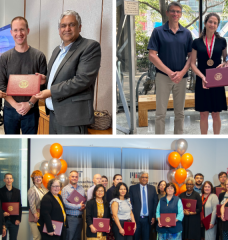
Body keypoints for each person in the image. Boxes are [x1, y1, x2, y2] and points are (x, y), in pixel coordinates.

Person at [34, 10, 101, 134]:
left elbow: (82, 80)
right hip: (54, 115)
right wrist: (46, 79)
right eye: (63, 26)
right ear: (59, 29)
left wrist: (50, 92)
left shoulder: (90, 47)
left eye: (72, 25)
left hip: (72, 118)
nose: (67, 29)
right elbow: (58, 76)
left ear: (79, 27)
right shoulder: (57, 50)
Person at [147, 1, 192, 134]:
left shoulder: (187, 33)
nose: (175, 14)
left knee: (180, 113)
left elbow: (191, 56)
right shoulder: (158, 31)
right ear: (167, 13)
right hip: (163, 77)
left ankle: (178, 139)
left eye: (178, 11)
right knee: (160, 113)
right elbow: (152, 55)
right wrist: (170, 72)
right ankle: (159, 140)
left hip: (181, 78)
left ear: (181, 14)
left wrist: (182, 72)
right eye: (172, 11)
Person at [0, 16, 47, 134]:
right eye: (15, 30)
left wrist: (29, 104)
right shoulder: (4, 58)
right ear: (11, 33)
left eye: (22, 29)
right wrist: (16, 105)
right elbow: (1, 85)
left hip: (31, 110)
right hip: (10, 109)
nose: (19, 33)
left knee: (30, 144)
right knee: (11, 146)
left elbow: (42, 86)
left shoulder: (39, 56)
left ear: (28, 31)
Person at [191, 13, 227, 134]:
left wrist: (224, 64)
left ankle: (216, 139)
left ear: (217, 25)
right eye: (210, 22)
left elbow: (226, 60)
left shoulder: (222, 41)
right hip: (202, 81)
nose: (212, 24)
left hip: (217, 80)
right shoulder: (197, 42)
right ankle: (204, 139)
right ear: (205, 23)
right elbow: (192, 64)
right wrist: (202, 77)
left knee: (216, 114)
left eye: (215, 23)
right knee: (203, 114)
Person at [129, 172, 158, 240]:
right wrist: (132, 217)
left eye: (146, 177)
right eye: (143, 177)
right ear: (139, 179)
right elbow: (130, 204)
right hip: (136, 219)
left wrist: (153, 216)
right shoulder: (132, 188)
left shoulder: (152, 188)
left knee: (146, 238)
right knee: (136, 238)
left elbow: (155, 203)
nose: (144, 179)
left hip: (148, 220)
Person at [61, 170, 85, 240]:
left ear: (78, 178)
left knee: (77, 238)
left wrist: (83, 206)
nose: (74, 178)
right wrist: (79, 206)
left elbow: (84, 201)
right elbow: (65, 204)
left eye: (76, 177)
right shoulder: (65, 189)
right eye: (73, 176)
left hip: (80, 218)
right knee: (69, 238)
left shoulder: (81, 189)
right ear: (69, 177)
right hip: (70, 219)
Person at [0, 173, 22, 240]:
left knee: (13, 239)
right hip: (3, 220)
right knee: (3, 238)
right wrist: (2, 213)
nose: (8, 180)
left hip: (14, 220)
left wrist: (18, 219)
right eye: (7, 178)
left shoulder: (17, 191)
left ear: (13, 180)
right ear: (4, 180)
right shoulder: (0, 191)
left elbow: (19, 206)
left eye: (10, 178)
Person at [28, 170, 48, 240]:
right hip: (35, 215)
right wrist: (35, 215)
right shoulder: (32, 190)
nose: (38, 178)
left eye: (40, 177)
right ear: (33, 180)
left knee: (43, 237)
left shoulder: (44, 190)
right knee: (37, 237)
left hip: (43, 215)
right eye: (36, 177)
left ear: (42, 179)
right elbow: (31, 204)